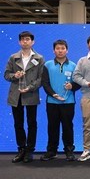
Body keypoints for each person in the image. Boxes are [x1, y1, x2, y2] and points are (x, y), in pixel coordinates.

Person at [4, 31, 44, 163]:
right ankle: (21, 149)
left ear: (32, 42)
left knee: (32, 123)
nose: (25, 41)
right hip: (16, 95)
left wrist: (30, 87)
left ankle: (29, 150)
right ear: (19, 42)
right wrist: (14, 76)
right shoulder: (13, 57)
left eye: (27, 39)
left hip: (31, 93)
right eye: (22, 39)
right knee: (18, 123)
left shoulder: (39, 58)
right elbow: (6, 75)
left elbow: (40, 78)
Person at [40, 39, 80, 161]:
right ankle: (52, 151)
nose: (60, 50)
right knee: (52, 127)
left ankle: (69, 151)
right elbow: (45, 83)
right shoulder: (47, 65)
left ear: (66, 50)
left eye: (62, 48)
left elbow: (78, 83)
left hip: (68, 102)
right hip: (52, 102)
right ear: (54, 50)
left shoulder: (73, 65)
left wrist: (72, 86)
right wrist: (53, 95)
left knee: (68, 127)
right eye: (58, 48)